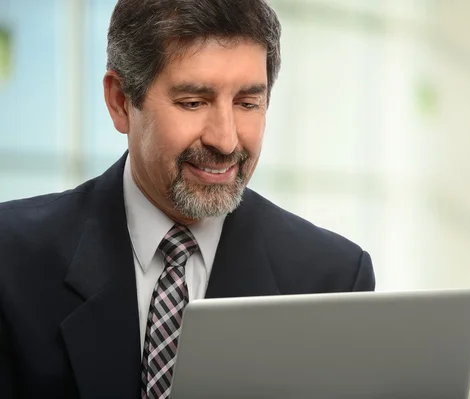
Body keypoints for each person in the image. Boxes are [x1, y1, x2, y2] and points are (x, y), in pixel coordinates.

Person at [0, 0, 375, 397]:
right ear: (120, 101)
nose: (226, 140)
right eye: (193, 102)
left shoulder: (333, 280)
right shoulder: (10, 259)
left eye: (248, 103)